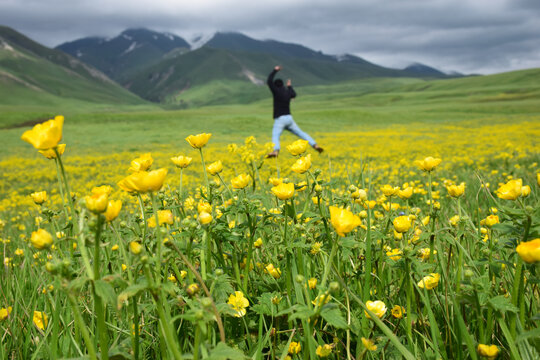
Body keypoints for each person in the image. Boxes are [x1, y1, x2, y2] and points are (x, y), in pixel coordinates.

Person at [266, 65, 323, 158]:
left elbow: (269, 81)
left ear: (275, 85)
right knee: (301, 133)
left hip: (280, 119)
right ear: (282, 85)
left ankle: (275, 151)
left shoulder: (276, 91)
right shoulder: (287, 92)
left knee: (275, 135)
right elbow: (294, 94)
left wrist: (275, 70)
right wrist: (289, 86)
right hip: (289, 118)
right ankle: (315, 144)